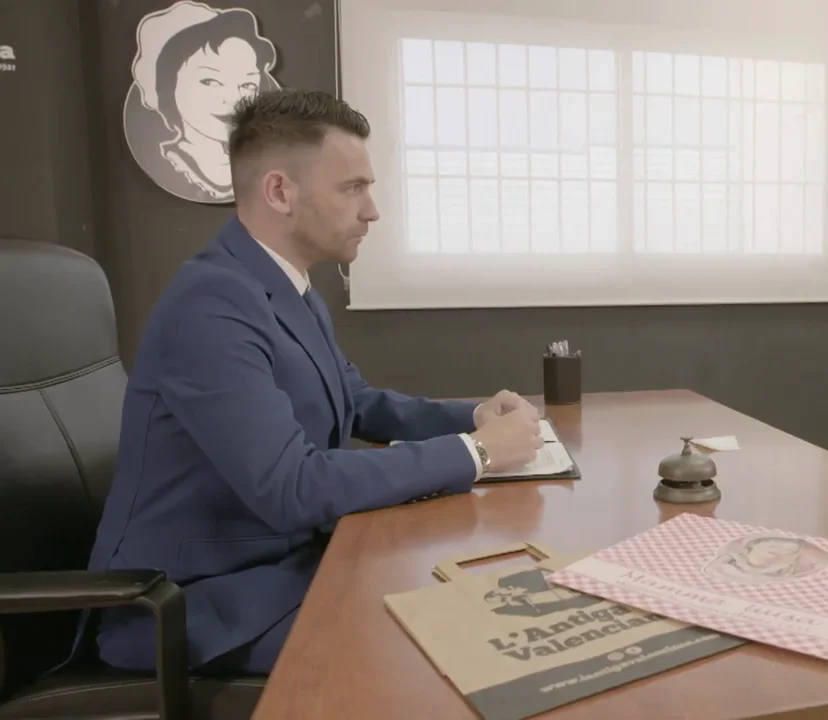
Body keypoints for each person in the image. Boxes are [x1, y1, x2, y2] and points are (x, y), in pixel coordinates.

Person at [86, 88, 545, 676]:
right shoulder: (210, 305)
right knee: (445, 656)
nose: (372, 210)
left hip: (285, 568)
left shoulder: (283, 285)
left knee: (484, 605)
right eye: (353, 188)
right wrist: (477, 453)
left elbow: (354, 401)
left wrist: (473, 417)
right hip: (195, 604)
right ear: (280, 191)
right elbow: (292, 484)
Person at [125, 1, 282, 203]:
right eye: (211, 81)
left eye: (248, 84)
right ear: (168, 86)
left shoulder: (264, 164)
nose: (234, 98)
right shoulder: (173, 164)